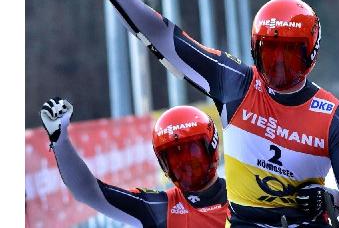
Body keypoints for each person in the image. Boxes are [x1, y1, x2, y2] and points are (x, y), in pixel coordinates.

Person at [75, 0, 339, 227]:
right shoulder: (237, 83)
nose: (279, 67)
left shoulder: (336, 120)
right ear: (255, 51)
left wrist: (331, 198)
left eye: (291, 55)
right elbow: (165, 37)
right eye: (270, 55)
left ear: (311, 53)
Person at [40, 97, 228, 227]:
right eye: (174, 158)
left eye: (191, 153)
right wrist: (60, 141)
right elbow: (89, 192)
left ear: (212, 147)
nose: (185, 164)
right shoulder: (161, 208)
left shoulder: (247, 195)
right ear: (164, 165)